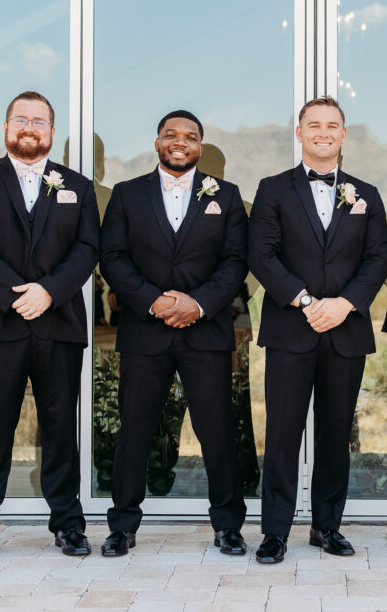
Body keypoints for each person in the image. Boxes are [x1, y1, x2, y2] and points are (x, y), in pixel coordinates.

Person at [0, 91, 99, 562]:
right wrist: (19, 295)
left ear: (52, 132)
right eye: (21, 119)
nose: (29, 127)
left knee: (59, 429)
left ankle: (68, 526)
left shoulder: (77, 185)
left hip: (58, 324)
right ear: (7, 127)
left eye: (39, 120)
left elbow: (87, 247)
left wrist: (49, 291)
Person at [98, 110, 248, 557]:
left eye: (190, 136)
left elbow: (235, 260)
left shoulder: (228, 195)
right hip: (146, 331)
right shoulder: (127, 195)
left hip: (206, 332)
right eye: (171, 134)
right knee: (135, 430)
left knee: (217, 430)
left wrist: (196, 304)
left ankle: (228, 526)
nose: (180, 141)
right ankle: (122, 525)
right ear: (157, 142)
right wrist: (155, 301)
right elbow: (113, 258)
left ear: (200, 147)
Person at [247, 96, 387, 564]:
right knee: (283, 435)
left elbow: (377, 260)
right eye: (314, 125)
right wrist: (308, 302)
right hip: (292, 328)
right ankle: (275, 533)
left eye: (332, 125)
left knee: (335, 435)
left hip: (345, 331)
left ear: (344, 135)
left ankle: (327, 526)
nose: (323, 132)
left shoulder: (365, 193)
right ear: (300, 133)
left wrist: (345, 304)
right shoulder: (273, 189)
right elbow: (261, 256)